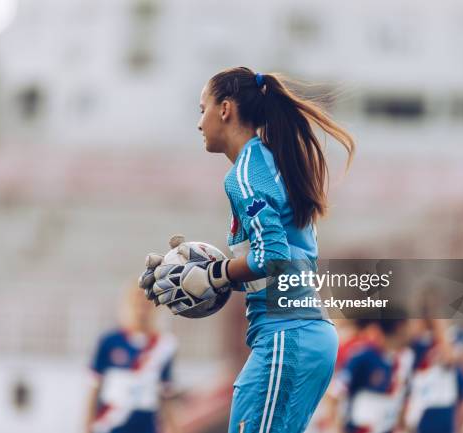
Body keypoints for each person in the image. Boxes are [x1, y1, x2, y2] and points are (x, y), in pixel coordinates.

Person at [140, 66, 355, 433]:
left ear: (225, 109)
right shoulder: (269, 162)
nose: (198, 122)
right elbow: (282, 268)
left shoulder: (245, 173)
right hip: (300, 334)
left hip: (287, 336)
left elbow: (272, 258)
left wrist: (213, 273)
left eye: (201, 108)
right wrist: (189, 278)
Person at [85, 283, 179, 433]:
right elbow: (94, 388)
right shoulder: (109, 341)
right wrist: (87, 426)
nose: (141, 310)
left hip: (146, 425)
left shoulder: (164, 346)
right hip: (110, 424)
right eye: (136, 303)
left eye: (146, 304)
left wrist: (174, 428)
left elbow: (165, 395)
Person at [326, 314, 414, 433]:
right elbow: (336, 391)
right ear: (399, 327)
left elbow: (402, 397)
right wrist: (335, 426)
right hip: (360, 427)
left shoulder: (406, 358)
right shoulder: (363, 356)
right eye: (409, 326)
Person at [405, 319, 463, 433]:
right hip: (419, 393)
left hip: (444, 391)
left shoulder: (453, 334)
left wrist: (440, 330)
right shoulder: (414, 341)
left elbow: (450, 358)